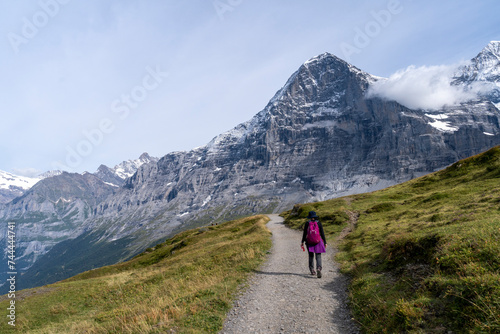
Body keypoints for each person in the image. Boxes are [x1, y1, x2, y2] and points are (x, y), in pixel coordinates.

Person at [301, 211, 327, 278]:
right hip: (318, 241)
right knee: (318, 255)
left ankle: (312, 270)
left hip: (309, 242)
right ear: (315, 216)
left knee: (311, 255)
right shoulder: (319, 223)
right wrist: (325, 242)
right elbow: (322, 233)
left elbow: (304, 234)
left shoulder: (307, 223)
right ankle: (318, 268)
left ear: (309, 217)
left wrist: (302, 242)